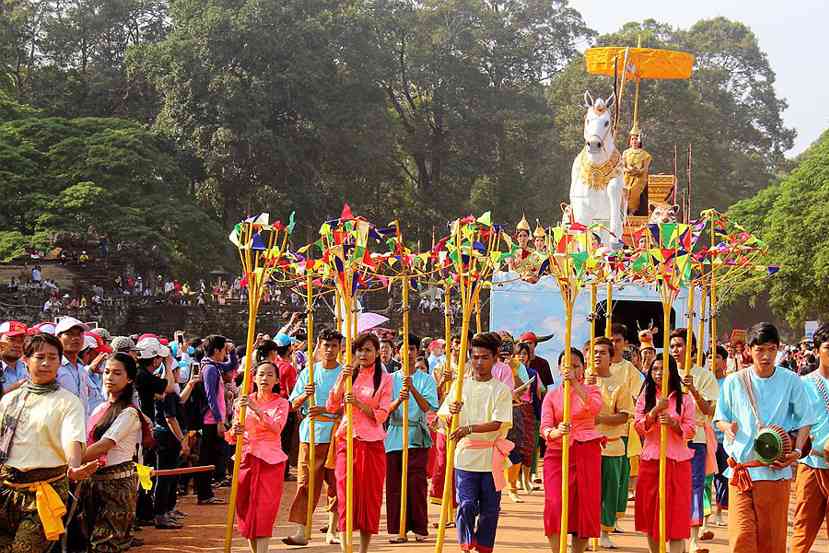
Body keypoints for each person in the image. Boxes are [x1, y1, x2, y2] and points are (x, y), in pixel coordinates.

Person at [713, 322, 814, 553]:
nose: (766, 355)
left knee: (771, 542)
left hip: (774, 471)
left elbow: (805, 419)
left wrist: (797, 452)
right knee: (741, 539)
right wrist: (728, 427)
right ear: (749, 350)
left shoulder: (791, 380)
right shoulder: (734, 381)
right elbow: (720, 417)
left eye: (771, 349)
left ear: (778, 349)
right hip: (740, 472)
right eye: (760, 349)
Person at [0, 333, 99, 552]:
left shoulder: (68, 402)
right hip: (5, 489)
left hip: (45, 491)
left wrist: (74, 466)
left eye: (53, 357)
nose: (46, 363)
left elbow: (71, 438)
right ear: (26, 360)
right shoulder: (9, 400)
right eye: (40, 356)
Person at [437, 332, 513, 553]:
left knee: (490, 509)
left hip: (491, 458)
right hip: (466, 456)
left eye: (485, 357)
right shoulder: (460, 387)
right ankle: (466, 540)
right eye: (475, 357)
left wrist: (468, 428)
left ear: (495, 357)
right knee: (467, 503)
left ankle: (484, 545)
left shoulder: (501, 390)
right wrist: (452, 413)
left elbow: (498, 423)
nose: (479, 362)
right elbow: (444, 420)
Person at [326, 332, 392, 553]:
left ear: (376, 353)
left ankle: (363, 549)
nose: (363, 354)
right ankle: (347, 549)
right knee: (345, 494)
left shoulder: (384, 378)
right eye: (360, 350)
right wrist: (339, 386)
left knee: (370, 497)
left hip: (372, 444)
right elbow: (331, 406)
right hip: (347, 440)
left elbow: (382, 415)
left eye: (368, 350)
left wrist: (359, 404)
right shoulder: (347, 374)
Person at [284, 328, 344, 546]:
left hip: (337, 435)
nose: (329, 350)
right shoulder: (309, 371)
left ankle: (332, 529)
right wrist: (304, 395)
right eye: (326, 345)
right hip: (311, 435)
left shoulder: (345, 373)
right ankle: (302, 530)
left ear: (340, 348)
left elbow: (349, 407)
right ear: (319, 346)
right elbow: (292, 404)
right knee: (306, 483)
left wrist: (326, 410)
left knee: (336, 484)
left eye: (334, 346)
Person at [541, 348, 603, 553]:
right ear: (559, 368)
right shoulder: (551, 396)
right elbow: (545, 428)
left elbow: (595, 409)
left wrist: (576, 384)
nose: (571, 370)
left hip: (586, 451)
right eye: (567, 366)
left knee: (583, 507)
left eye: (576, 366)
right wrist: (556, 432)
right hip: (557, 454)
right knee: (555, 504)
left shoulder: (592, 390)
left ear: (583, 368)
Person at [83, 353, 145, 552]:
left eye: (117, 373)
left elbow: (104, 445)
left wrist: (69, 461)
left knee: (106, 543)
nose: (109, 377)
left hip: (117, 486)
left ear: (130, 379)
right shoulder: (100, 408)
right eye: (107, 372)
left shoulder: (129, 413)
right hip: (92, 482)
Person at [634, 355, 696, 553]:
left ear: (672, 372)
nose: (659, 373)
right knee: (652, 513)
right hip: (651, 461)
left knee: (676, 516)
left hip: (678, 462)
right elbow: (639, 428)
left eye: (664, 369)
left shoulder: (685, 399)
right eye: (655, 369)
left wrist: (675, 424)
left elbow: (691, 430)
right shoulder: (645, 398)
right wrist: (653, 413)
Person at [229, 361, 290, 553]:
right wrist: (235, 430)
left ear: (277, 380)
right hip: (246, 459)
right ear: (254, 378)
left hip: (270, 462)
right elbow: (232, 435)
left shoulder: (282, 403)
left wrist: (256, 409)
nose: (265, 378)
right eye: (261, 374)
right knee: (245, 508)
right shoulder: (241, 402)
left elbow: (276, 428)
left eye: (270, 375)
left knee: (264, 509)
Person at [669, 328, 719, 552]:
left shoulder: (705, 376)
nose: (675, 350)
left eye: (680, 346)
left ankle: (693, 538)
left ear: (692, 350)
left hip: (695, 438)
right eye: (672, 346)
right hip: (670, 439)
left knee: (695, 486)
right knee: (671, 486)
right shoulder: (665, 373)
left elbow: (709, 410)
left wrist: (693, 390)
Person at [385, 335, 438, 543]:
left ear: (418, 352)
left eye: (412, 349)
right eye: (404, 348)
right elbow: (385, 410)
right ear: (398, 352)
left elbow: (428, 407)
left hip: (416, 436)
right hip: (395, 437)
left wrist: (412, 388)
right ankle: (399, 530)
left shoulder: (426, 379)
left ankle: (419, 528)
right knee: (395, 486)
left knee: (416, 484)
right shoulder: (389, 379)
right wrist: (399, 399)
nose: (408, 353)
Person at [791, 322, 829, 553]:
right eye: (828, 347)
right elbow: (792, 424)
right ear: (815, 351)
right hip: (812, 464)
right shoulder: (803, 385)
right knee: (802, 530)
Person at [593, 336, 634, 549]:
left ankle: (604, 531)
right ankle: (584, 531)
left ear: (611, 357)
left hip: (612, 445)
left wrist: (600, 419)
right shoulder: (584, 382)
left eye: (602, 352)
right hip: (587, 447)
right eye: (594, 352)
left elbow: (625, 416)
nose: (597, 356)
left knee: (609, 491)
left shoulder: (619, 385)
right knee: (587, 491)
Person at [196, 335, 237, 505]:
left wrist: (232, 352)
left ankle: (207, 492)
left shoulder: (212, 365)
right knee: (207, 457)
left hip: (215, 419)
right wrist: (219, 420)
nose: (224, 354)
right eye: (224, 350)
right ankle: (204, 494)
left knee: (211, 456)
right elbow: (211, 397)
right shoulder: (210, 369)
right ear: (216, 350)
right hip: (211, 420)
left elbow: (231, 365)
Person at [708, 345, 729, 527]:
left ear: (724, 361)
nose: (711, 361)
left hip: (723, 438)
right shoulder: (704, 380)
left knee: (722, 477)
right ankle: (703, 516)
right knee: (706, 476)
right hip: (705, 438)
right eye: (709, 357)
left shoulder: (729, 383)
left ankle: (719, 511)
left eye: (716, 357)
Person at [55, 317, 93, 416]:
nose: (75, 338)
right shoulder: (53, 367)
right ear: (58, 338)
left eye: (79, 334)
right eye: (69, 334)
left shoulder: (81, 369)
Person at [0, 321, 29, 395]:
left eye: (21, 341)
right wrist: (5, 395)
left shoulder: (29, 368)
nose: (17, 345)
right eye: (11, 339)